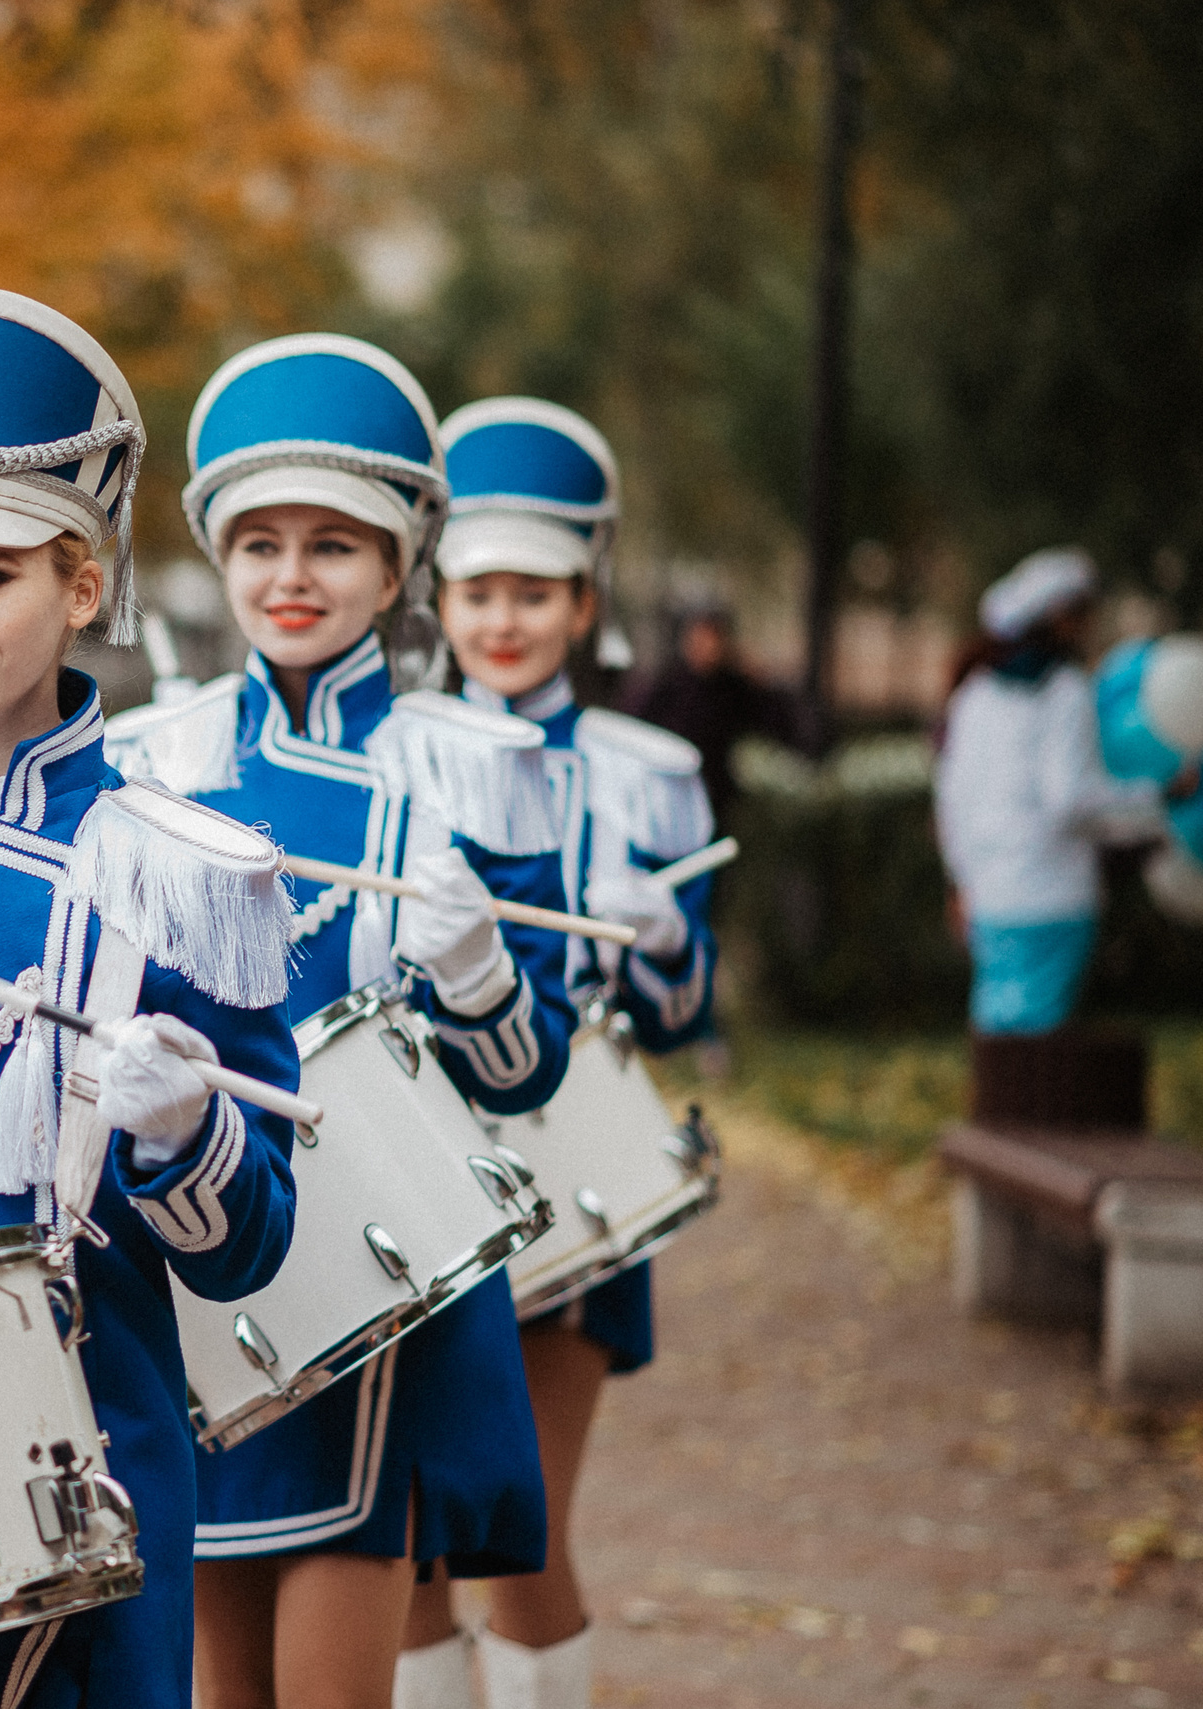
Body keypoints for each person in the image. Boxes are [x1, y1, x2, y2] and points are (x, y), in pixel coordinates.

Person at [0, 285, 301, 1709]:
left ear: (81, 585)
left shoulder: (182, 869)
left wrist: (186, 1133)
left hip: (83, 1463)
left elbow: (246, 1248)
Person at [104, 335, 573, 1709]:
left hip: (379, 1284)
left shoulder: (473, 769)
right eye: (258, 542)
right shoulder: (158, 757)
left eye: (334, 545)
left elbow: (528, 1072)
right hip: (201, 1264)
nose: (292, 578)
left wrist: (483, 975)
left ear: (396, 569)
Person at [396, 397, 720, 1709]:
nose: (503, 620)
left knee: (517, 1535)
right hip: (420, 1180)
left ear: (586, 603)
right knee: (408, 1535)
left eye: (536, 592)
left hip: (576, 1181)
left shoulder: (651, 772)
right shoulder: (393, 748)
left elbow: (686, 1009)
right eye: (478, 591)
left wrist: (659, 939)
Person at [936, 546, 1177, 1035]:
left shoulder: (974, 695)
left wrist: (962, 880)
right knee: (1036, 1057)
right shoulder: (1065, 691)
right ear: (1062, 621)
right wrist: (1158, 797)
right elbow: (1071, 800)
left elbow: (952, 800)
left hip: (990, 896)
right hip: (1052, 897)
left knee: (998, 1042)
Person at [620, 593, 817, 827]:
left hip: (713, 804)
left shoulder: (733, 688)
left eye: (714, 636)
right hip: (663, 802)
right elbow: (629, 733)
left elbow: (782, 722)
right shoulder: (662, 686)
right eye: (700, 635)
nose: (707, 645)